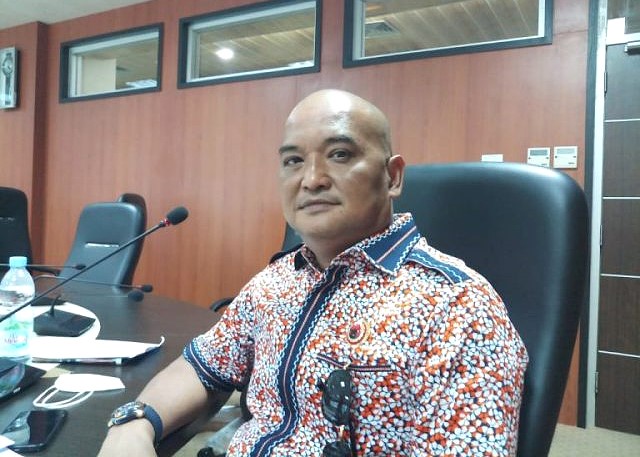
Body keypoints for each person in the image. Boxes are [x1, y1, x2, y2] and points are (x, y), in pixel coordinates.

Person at [98, 89, 528, 457]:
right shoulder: (275, 282)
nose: (312, 179)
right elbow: (203, 367)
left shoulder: (458, 306)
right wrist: (134, 423)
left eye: (340, 155)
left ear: (392, 176)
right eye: (293, 160)